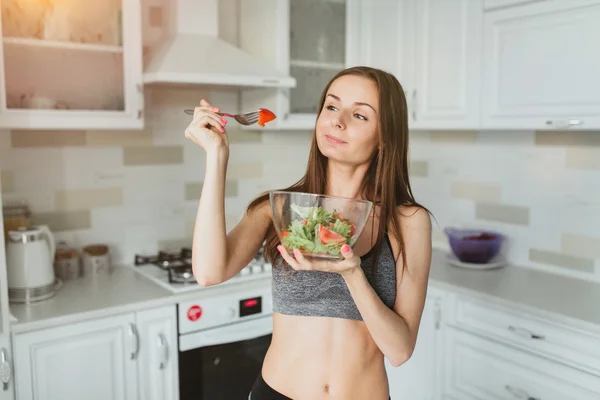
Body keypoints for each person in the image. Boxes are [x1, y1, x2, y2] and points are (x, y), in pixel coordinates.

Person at [185, 66, 433, 400]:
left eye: (359, 115)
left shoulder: (407, 221)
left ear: (384, 136)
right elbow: (208, 272)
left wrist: (353, 274)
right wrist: (217, 155)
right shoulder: (279, 209)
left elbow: (400, 351)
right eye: (331, 107)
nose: (337, 121)